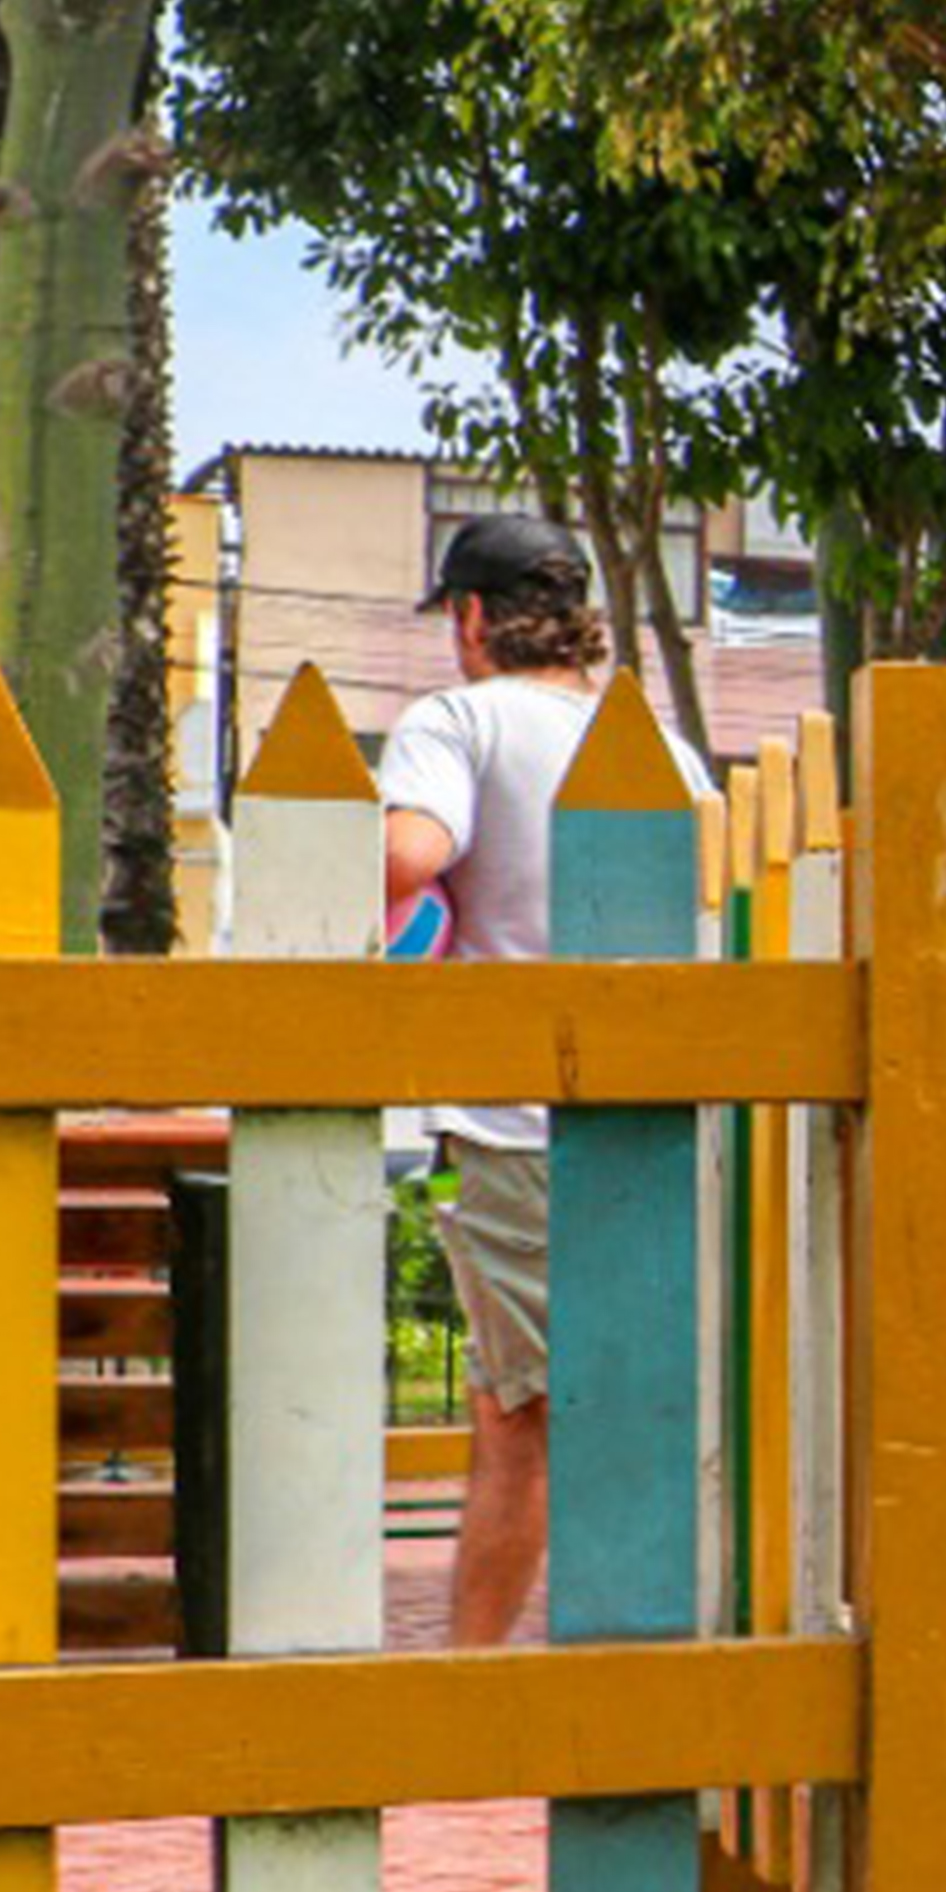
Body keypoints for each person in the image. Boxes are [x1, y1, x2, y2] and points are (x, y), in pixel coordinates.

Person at [376, 511, 657, 1650]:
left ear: (473, 618)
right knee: (645, 1393)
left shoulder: (457, 719)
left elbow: (411, 853)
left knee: (515, 1413)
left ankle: (475, 1680)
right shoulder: (657, 742)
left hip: (520, 1121)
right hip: (659, 1117)